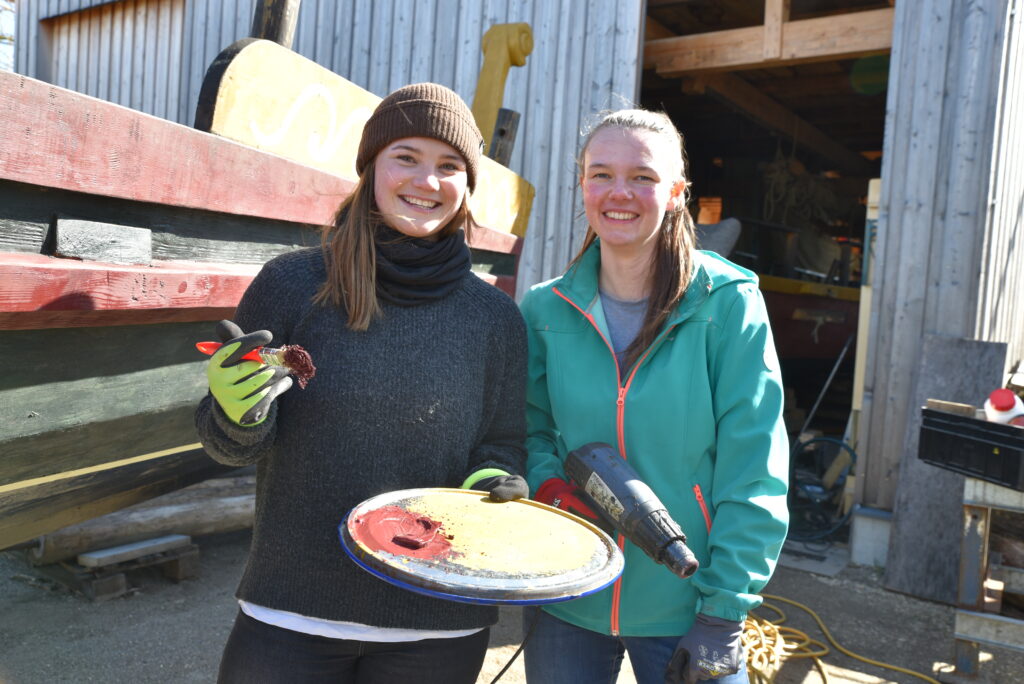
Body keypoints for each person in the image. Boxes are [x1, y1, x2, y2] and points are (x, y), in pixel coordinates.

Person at [195, 83, 529, 684]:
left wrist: (491, 481)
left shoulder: (494, 317)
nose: (427, 181)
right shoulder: (292, 285)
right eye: (406, 156)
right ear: (371, 165)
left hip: (437, 618)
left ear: (466, 185)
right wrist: (234, 416)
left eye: (448, 166)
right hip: (292, 611)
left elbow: (501, 442)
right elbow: (227, 448)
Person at [519, 108, 789, 684]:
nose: (620, 193)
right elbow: (531, 429)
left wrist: (723, 611)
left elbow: (756, 469)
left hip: (687, 605)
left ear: (675, 193)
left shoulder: (728, 304)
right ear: (582, 185)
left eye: (642, 176)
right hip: (568, 593)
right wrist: (553, 487)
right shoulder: (544, 309)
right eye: (601, 174)